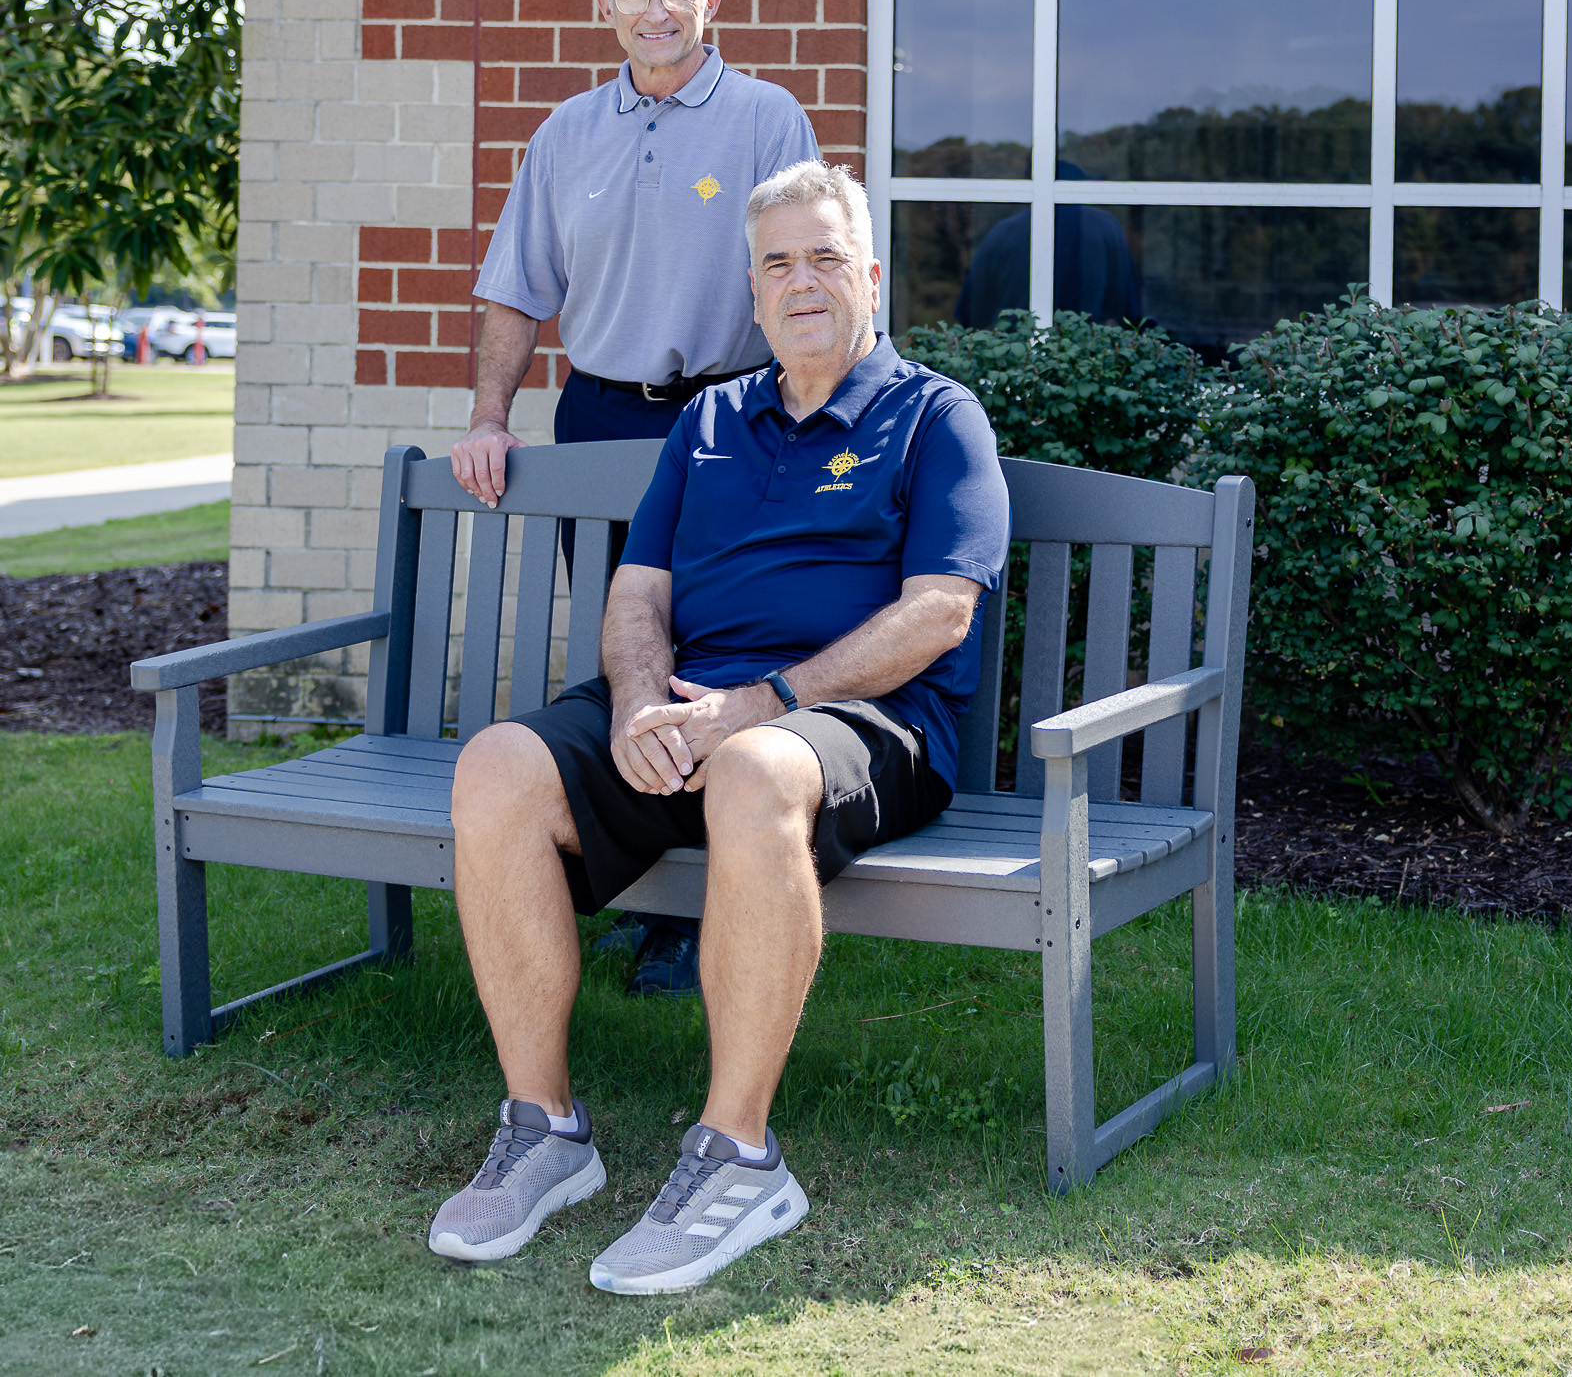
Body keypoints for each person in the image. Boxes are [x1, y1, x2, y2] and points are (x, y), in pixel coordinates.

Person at [427, 162, 1011, 1294]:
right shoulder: (707, 420)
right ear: (752, 291)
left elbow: (940, 612)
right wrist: (639, 703)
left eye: (826, 257)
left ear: (871, 278)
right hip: (694, 708)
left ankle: (739, 1156)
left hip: (862, 721)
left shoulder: (935, 416)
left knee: (751, 770)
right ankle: (544, 1130)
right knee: (497, 765)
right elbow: (637, 591)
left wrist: (758, 705)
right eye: (776, 263)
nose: (802, 281)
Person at [449, 0, 820, 997]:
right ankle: (650, 887)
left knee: (722, 653)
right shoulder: (565, 133)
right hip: (602, 417)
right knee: (631, 653)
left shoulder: (765, 118)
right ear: (602, 4)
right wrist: (488, 417)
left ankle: (709, 908)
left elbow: (806, 269)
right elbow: (515, 289)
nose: (656, 11)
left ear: (713, 0)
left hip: (733, 418)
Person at [953, 163, 1143, 329]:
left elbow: (972, 314)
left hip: (1016, 352)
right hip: (1087, 352)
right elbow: (1127, 310)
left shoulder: (1003, 232)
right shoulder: (1105, 226)